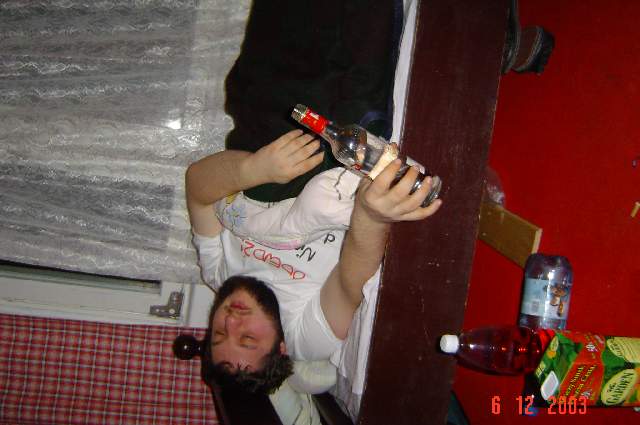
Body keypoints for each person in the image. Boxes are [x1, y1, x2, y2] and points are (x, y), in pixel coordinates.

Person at [186, 129, 442, 394]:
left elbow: (197, 186)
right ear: (281, 349)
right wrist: (371, 216)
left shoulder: (217, 274)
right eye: (247, 338)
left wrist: (255, 168)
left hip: (277, 142)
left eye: (218, 334)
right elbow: (350, 283)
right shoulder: (303, 339)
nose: (230, 322)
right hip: (341, 171)